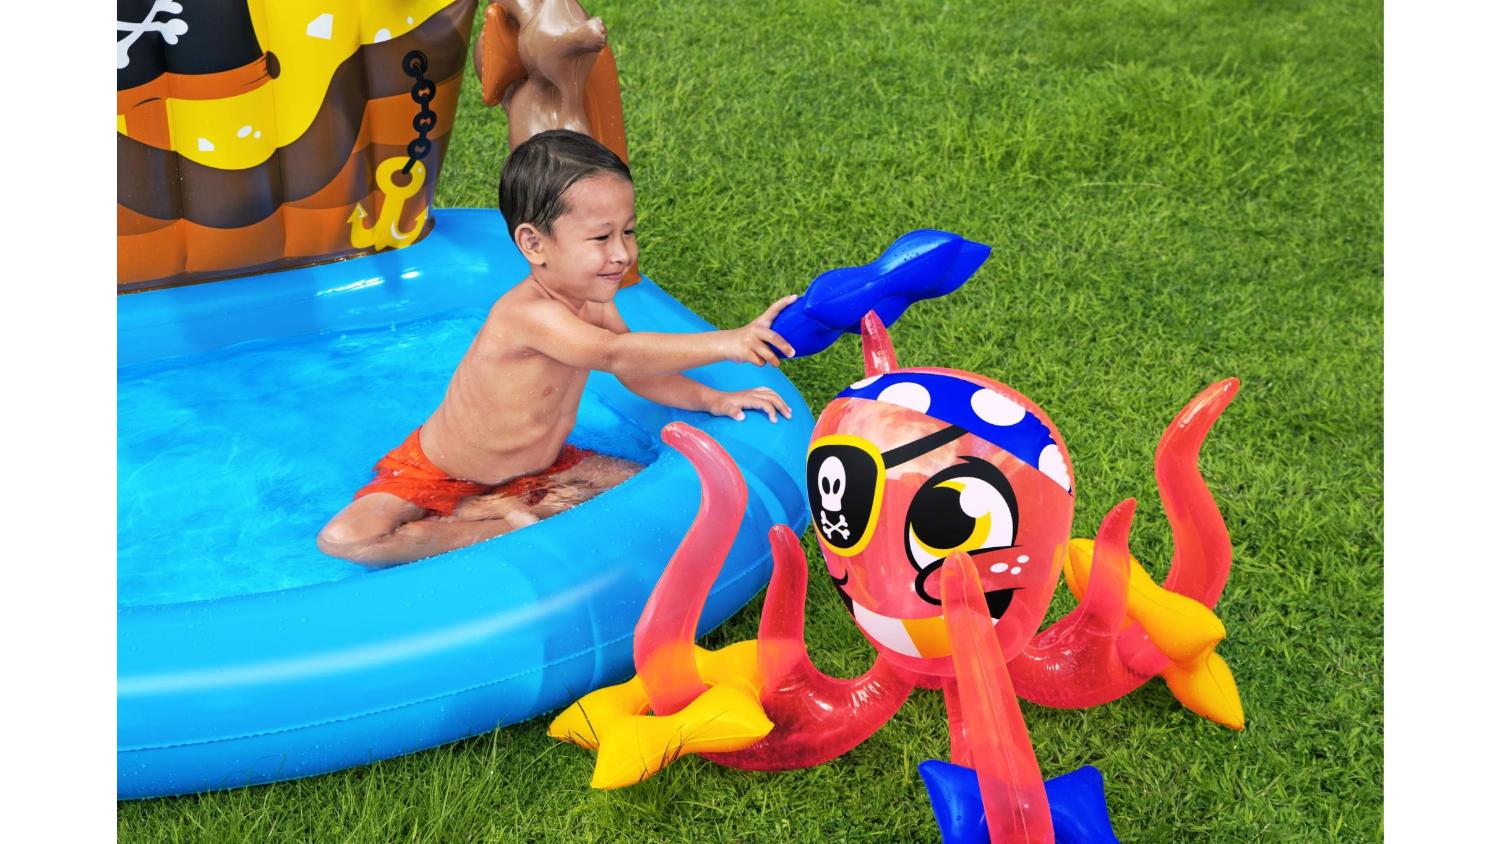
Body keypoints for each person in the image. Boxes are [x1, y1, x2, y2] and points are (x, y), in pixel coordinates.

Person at [317, 130, 797, 567]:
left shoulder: (594, 302)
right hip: (442, 473)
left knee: (652, 489)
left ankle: (513, 506)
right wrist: (728, 342)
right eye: (601, 237)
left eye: (628, 231)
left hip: (545, 467)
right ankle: (489, 526)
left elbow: (637, 370)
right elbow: (615, 354)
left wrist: (713, 399)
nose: (622, 253)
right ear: (534, 244)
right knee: (346, 540)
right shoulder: (527, 313)